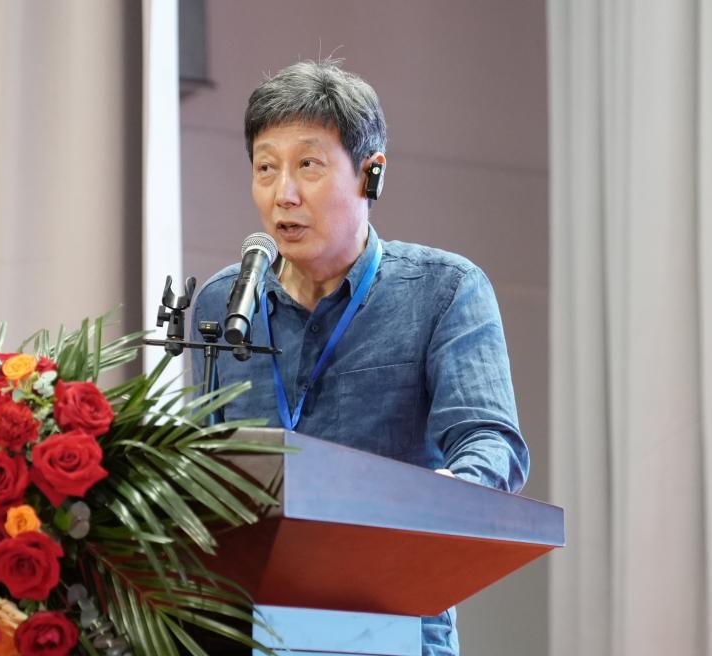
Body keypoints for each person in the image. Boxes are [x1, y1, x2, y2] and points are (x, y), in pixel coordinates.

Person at [190, 59, 530, 656]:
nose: (283, 193)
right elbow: (205, 468)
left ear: (371, 175)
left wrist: (445, 493)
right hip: (250, 628)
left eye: (308, 165)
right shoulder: (226, 302)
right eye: (266, 167)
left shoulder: (443, 291)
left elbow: (492, 441)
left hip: (392, 621)